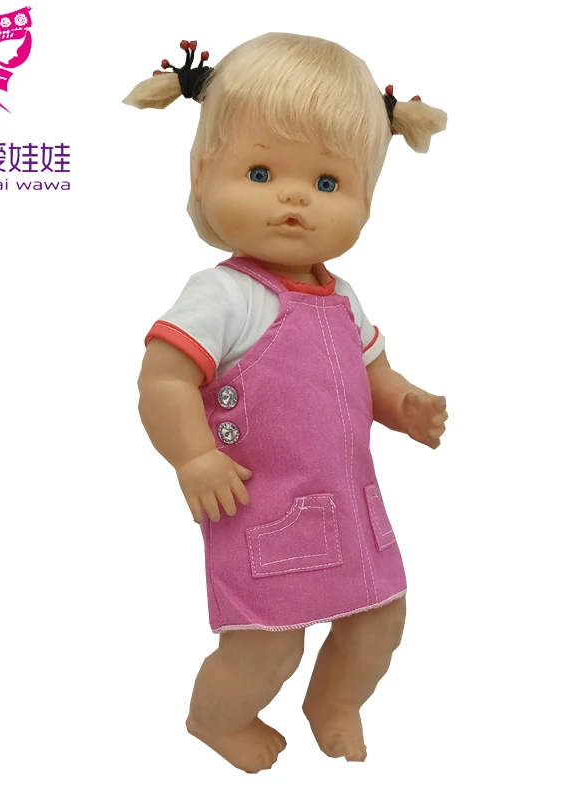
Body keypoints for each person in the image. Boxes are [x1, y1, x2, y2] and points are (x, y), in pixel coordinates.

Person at [124, 32, 448, 773]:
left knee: (380, 616)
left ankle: (334, 702)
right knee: (268, 642)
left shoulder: (343, 297)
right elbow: (163, 380)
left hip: (350, 502)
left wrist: (406, 406)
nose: (295, 199)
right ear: (203, 174)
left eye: (328, 183)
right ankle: (215, 719)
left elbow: (374, 375)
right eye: (261, 172)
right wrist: (194, 457)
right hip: (263, 504)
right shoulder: (224, 295)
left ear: (367, 199)